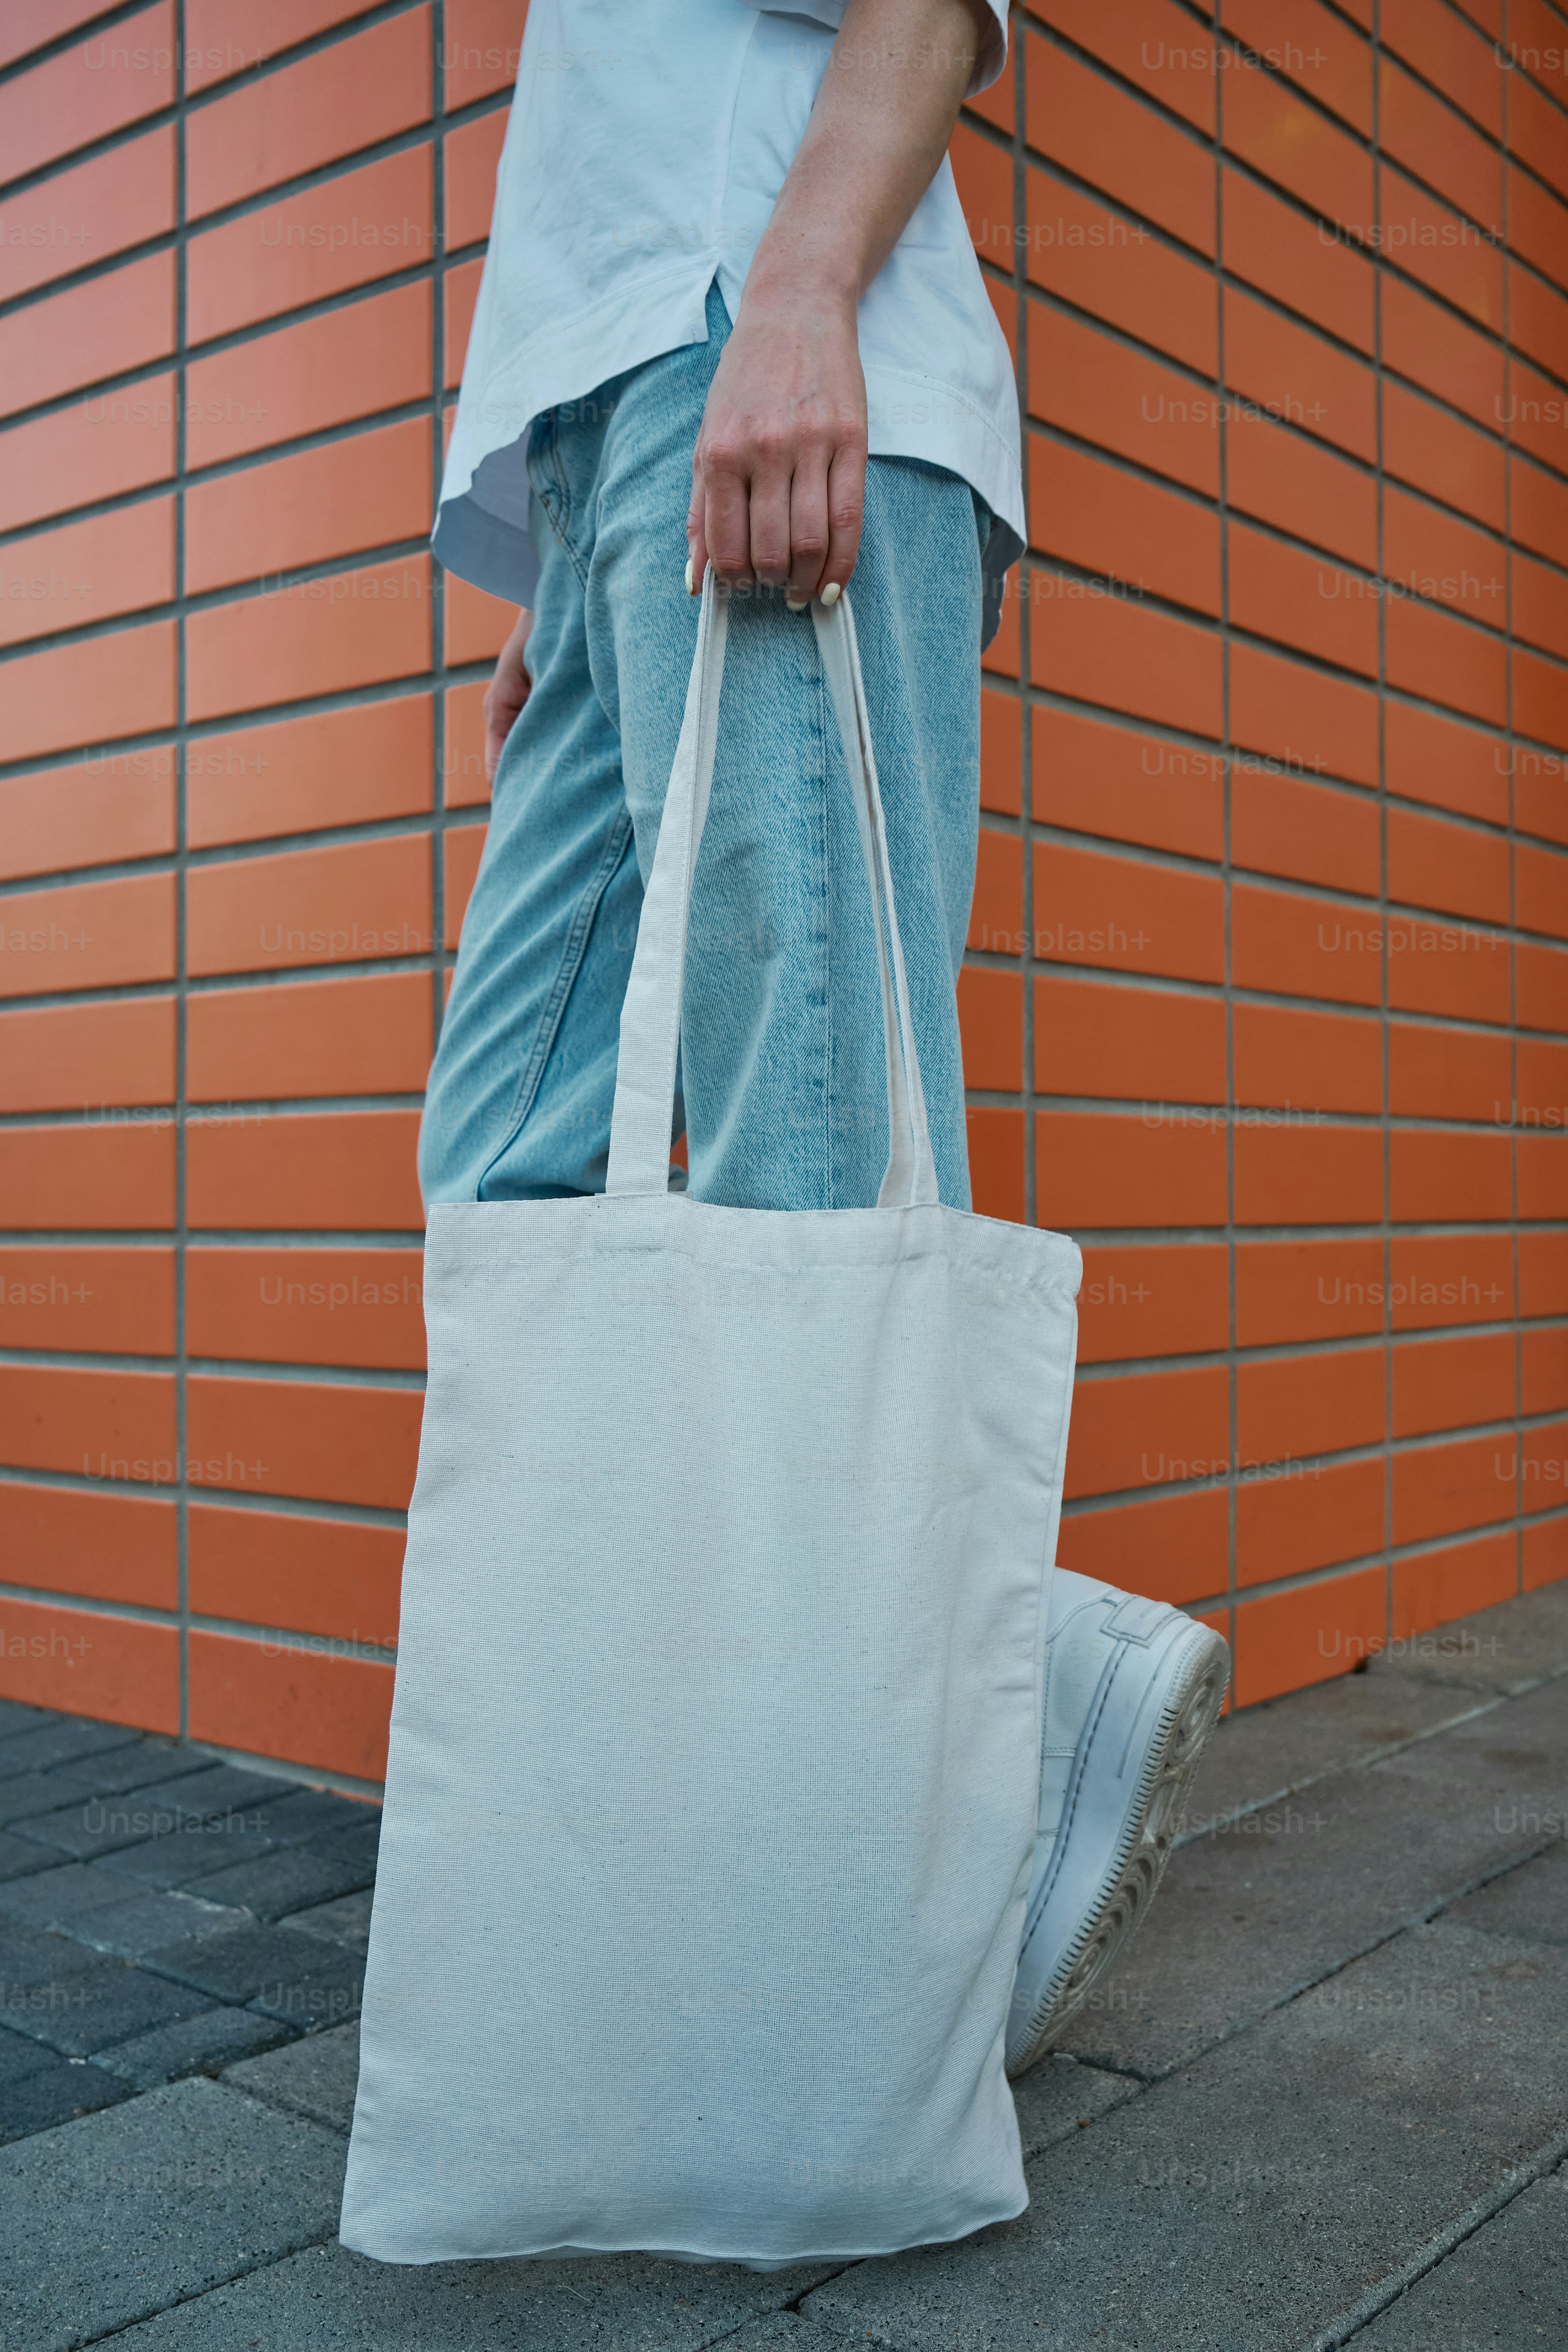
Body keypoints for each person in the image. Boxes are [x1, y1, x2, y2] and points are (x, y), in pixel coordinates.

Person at [421, 0, 1225, 2106]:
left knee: (814, 1154)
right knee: (506, 1168)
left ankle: (870, 1896)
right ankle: (921, 1735)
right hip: (601, 451)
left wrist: (794, 294)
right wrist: (550, 578)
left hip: (768, 343)